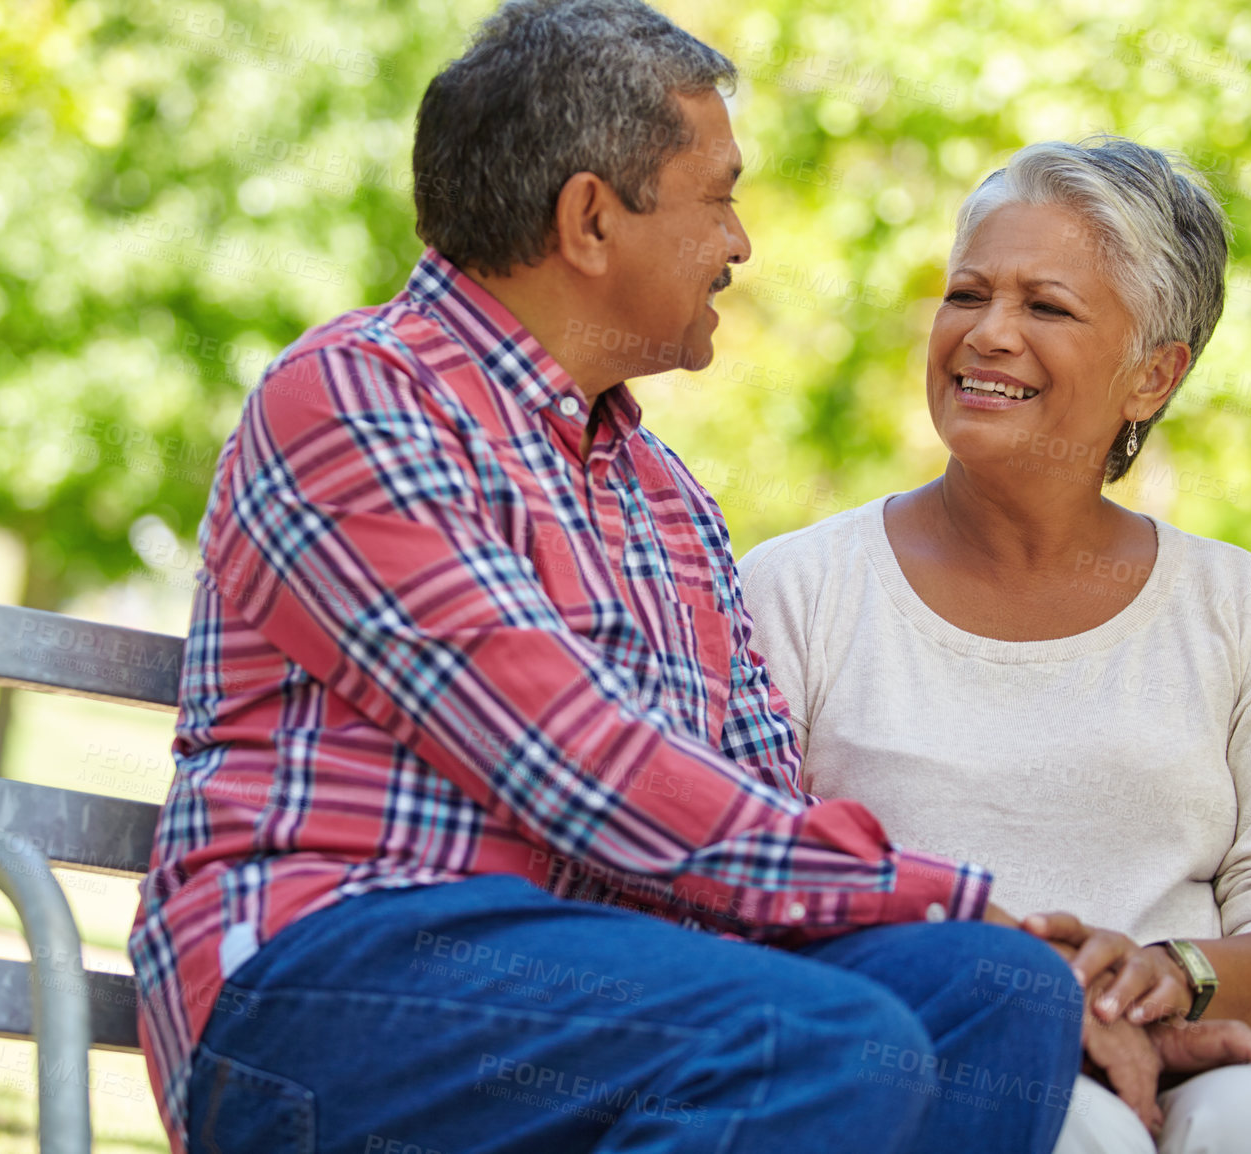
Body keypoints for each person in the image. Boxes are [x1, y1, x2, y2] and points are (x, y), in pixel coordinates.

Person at [129, 4, 1088, 1152]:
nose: (740, 244)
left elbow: (754, 803)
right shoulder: (356, 398)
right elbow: (576, 759)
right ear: (590, 218)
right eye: (718, 196)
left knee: (1003, 991)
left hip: (598, 997)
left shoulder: (668, 498)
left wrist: (1014, 940)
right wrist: (945, 886)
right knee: (817, 1038)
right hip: (328, 982)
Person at [739, 137, 1251, 1152]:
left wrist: (1178, 974)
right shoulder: (798, 588)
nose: (987, 334)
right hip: (922, 1064)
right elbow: (741, 884)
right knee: (1081, 1127)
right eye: (965, 294)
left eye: (1045, 306)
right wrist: (1041, 1003)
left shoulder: (1233, 605)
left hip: (1196, 1050)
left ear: (1152, 375)